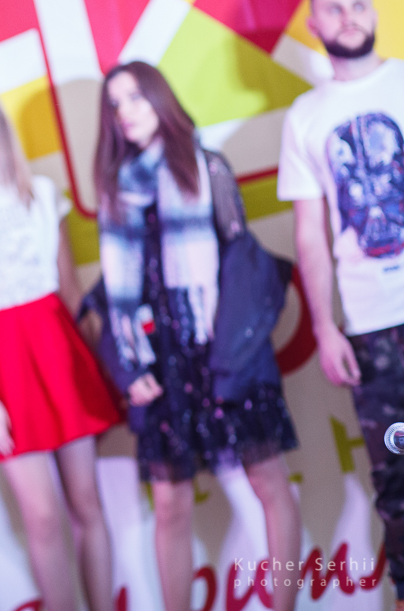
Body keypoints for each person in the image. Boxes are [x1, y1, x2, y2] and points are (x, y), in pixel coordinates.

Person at [93, 61, 301, 611]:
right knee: (169, 505)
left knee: (268, 482)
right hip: (161, 361)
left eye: (136, 97)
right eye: (115, 104)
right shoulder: (116, 194)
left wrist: (233, 351)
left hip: (222, 346)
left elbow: (241, 261)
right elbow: (118, 293)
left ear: (160, 98)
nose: (126, 112)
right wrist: (131, 365)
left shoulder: (207, 167)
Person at [0, 82, 118, 611]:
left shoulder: (41, 192)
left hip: (56, 346)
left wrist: (101, 367)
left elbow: (70, 289)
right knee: (42, 517)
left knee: (87, 504)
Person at [279, 0, 404, 610]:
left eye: (359, 4)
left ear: (375, 13)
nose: (349, 16)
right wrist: (325, 327)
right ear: (314, 25)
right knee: (398, 477)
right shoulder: (305, 117)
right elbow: (310, 234)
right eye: (334, 8)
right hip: (372, 330)